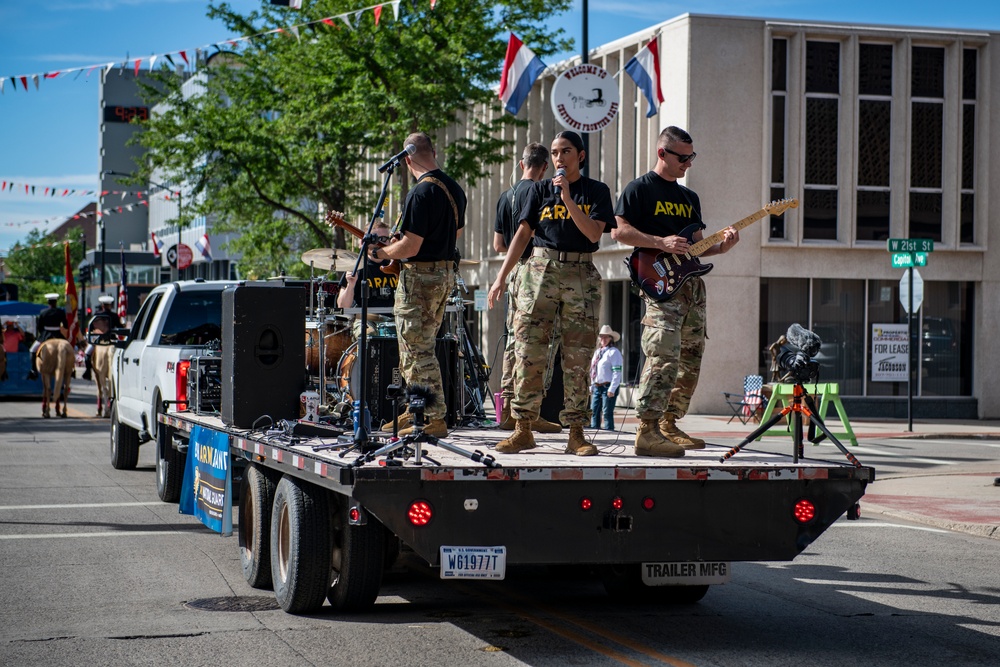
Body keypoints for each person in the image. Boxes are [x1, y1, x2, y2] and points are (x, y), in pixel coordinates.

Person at [612, 126, 740, 457]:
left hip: (692, 289)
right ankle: (647, 429)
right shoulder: (639, 189)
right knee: (662, 356)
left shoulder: (689, 198)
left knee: (690, 359)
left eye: (691, 157)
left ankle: (669, 423)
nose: (688, 163)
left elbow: (696, 248)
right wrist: (660, 242)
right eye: (683, 157)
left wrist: (722, 248)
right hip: (659, 286)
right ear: (662, 154)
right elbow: (620, 232)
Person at [487, 130, 615, 457]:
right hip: (540, 270)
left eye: (566, 151)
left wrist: (568, 199)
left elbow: (592, 234)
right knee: (528, 352)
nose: (559, 158)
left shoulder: (596, 191)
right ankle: (523, 428)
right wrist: (502, 276)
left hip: (580, 272)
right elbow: (523, 233)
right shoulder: (539, 189)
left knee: (577, 356)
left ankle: (576, 432)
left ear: (580, 156)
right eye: (555, 152)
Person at [366, 131, 466, 438]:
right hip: (442, 274)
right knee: (412, 348)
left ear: (407, 159)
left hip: (420, 278)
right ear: (433, 152)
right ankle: (417, 408)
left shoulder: (420, 192)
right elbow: (456, 233)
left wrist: (380, 252)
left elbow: (410, 246)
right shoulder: (454, 188)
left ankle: (435, 417)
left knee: (418, 349)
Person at [493, 142, 560, 435]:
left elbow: (497, 245)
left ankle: (507, 410)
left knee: (513, 340)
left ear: (521, 164)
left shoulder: (505, 196)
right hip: (535, 269)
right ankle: (531, 412)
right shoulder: (541, 191)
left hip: (513, 271)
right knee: (539, 342)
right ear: (545, 166)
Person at [337, 219, 398, 340]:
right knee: (367, 336)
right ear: (364, 242)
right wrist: (350, 285)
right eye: (376, 238)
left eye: (385, 239)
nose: (381, 243)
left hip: (395, 319)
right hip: (367, 319)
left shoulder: (396, 265)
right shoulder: (357, 267)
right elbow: (342, 305)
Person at [27, 293, 68, 380]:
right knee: (69, 348)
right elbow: (66, 325)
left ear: (48, 302)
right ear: (56, 302)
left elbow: (39, 327)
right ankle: (71, 369)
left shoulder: (43, 312)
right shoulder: (61, 312)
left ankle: (33, 370)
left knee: (32, 350)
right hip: (57, 334)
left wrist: (43, 333)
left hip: (45, 334)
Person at [590, 325, 623, 430]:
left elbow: (617, 372)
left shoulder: (613, 352)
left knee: (607, 412)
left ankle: (609, 432)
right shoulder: (597, 352)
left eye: (606, 337)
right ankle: (594, 430)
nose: (603, 339)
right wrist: (592, 384)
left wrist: (612, 388)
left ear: (610, 339)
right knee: (594, 411)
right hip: (597, 386)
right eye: (601, 337)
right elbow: (593, 370)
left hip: (607, 386)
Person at [83, 295, 124, 381]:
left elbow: (92, 327)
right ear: (110, 305)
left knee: (87, 354)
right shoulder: (114, 315)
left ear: (102, 305)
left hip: (98, 340)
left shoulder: (97, 315)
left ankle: (88, 371)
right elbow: (120, 328)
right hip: (112, 340)